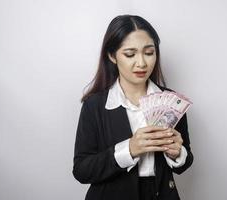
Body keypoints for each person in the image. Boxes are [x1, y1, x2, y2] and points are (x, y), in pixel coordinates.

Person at [73, 14, 194, 200]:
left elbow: (186, 162)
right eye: (130, 54)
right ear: (112, 56)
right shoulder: (94, 105)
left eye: (149, 52)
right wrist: (129, 149)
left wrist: (178, 152)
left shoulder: (171, 101)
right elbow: (81, 170)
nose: (142, 63)